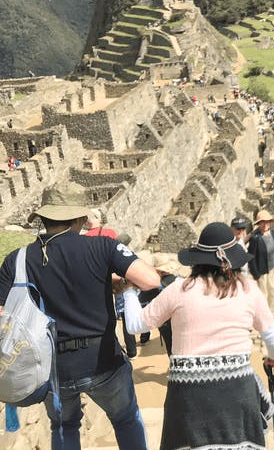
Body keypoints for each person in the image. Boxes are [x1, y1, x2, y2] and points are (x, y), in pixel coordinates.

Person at [0, 181, 161, 450]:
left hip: (52, 368)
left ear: (43, 217)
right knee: (125, 419)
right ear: (80, 218)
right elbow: (150, 280)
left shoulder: (17, 260)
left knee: (64, 426)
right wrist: (114, 284)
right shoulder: (102, 247)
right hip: (103, 361)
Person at [122, 222, 274, 450]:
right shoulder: (247, 289)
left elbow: (134, 325)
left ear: (197, 260)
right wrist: (273, 358)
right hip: (237, 391)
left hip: (189, 396)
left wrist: (128, 291)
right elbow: (273, 336)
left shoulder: (178, 290)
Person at [247, 209, 274, 318]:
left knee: (273, 290)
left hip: (271, 268)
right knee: (263, 293)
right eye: (263, 222)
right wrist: (256, 274)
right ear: (259, 224)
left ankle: (273, 312)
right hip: (261, 270)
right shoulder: (255, 238)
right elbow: (251, 258)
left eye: (267, 222)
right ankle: (263, 316)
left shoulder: (272, 233)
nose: (265, 224)